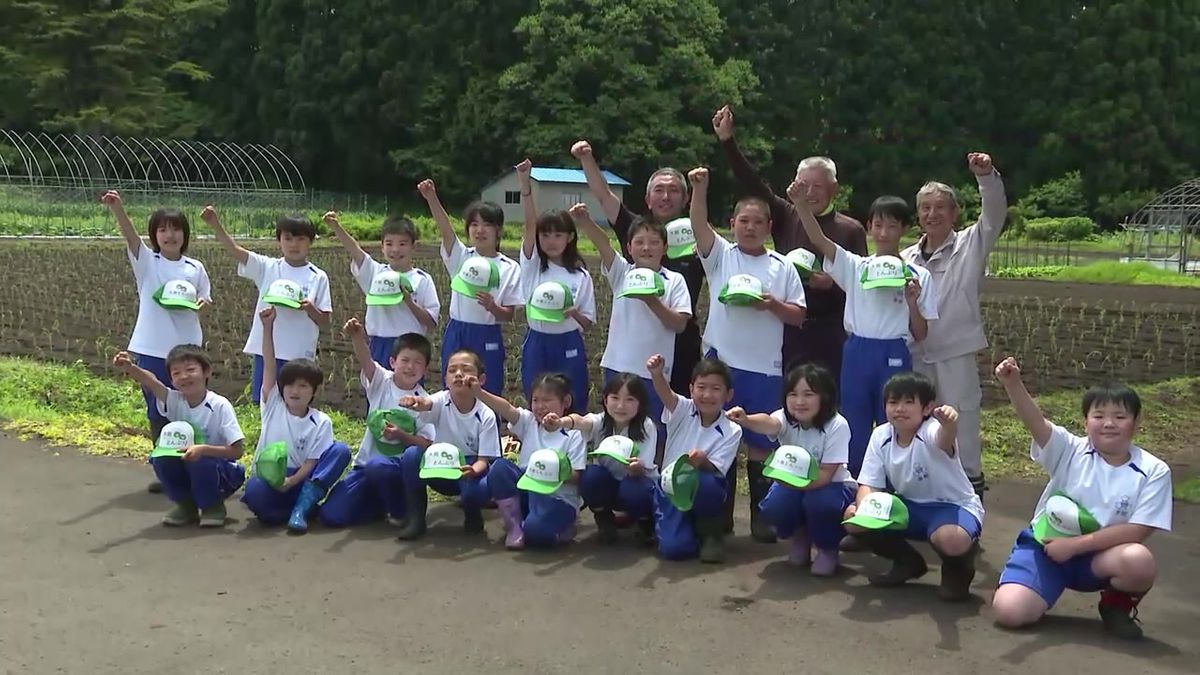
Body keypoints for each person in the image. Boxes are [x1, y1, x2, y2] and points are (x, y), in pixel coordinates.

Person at [991, 357, 1172, 640]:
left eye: (1120, 417)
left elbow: (1139, 530)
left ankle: (1116, 606)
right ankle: (1028, 583)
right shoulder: (1070, 449)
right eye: (1099, 416)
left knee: (1139, 561)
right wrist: (1012, 384)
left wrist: (1075, 546)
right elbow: (1035, 422)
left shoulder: (1154, 470)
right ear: (1085, 421)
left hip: (1098, 559)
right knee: (1009, 612)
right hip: (1046, 549)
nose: (1108, 424)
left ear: (1137, 422)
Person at [690, 166, 807, 543]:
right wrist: (700, 189)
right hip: (721, 364)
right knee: (718, 440)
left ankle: (760, 518)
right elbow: (697, 223)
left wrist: (772, 305)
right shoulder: (720, 255)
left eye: (758, 222)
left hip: (765, 369)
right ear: (732, 223)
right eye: (744, 221)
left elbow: (799, 315)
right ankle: (719, 517)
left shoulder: (782, 265)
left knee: (759, 446)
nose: (750, 227)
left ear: (769, 227)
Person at [787, 186, 938, 477]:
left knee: (896, 419)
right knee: (854, 421)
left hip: (894, 352)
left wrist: (912, 302)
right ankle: (853, 484)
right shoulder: (856, 266)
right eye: (878, 225)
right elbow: (820, 240)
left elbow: (921, 334)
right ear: (869, 227)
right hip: (857, 350)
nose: (883, 233)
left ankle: (894, 483)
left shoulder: (918, 276)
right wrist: (801, 205)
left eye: (892, 226)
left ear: (905, 229)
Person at [712, 105, 867, 380]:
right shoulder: (786, 214)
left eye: (817, 186)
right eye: (802, 185)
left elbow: (860, 287)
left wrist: (832, 284)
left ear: (834, 189)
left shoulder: (850, 229)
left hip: (829, 330)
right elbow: (752, 184)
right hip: (786, 328)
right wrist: (727, 141)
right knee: (789, 400)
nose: (808, 193)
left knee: (826, 398)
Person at [900, 152, 1007, 497]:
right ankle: (924, 490)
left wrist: (986, 177)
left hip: (956, 354)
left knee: (962, 422)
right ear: (918, 215)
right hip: (916, 354)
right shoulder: (905, 259)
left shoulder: (970, 244)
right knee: (917, 423)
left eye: (940, 207)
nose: (932, 215)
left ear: (954, 212)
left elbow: (994, 214)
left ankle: (969, 492)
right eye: (926, 208)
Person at [570, 140, 703, 397]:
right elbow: (603, 196)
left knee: (674, 415)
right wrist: (586, 158)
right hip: (628, 355)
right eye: (659, 190)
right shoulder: (634, 228)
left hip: (682, 341)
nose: (666, 196)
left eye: (674, 191)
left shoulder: (700, 235)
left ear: (686, 199)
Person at [101, 190, 213, 494]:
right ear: (155, 235)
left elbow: (205, 297)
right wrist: (118, 210)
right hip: (151, 349)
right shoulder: (147, 263)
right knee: (157, 408)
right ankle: (165, 470)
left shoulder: (195, 267)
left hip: (188, 348)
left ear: (184, 234)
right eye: (162, 229)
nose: (169, 234)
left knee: (191, 405)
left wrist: (202, 304)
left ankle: (193, 467)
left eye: (175, 228)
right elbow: (130, 237)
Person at [843, 372, 984, 602]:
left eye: (909, 402)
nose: (900, 408)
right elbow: (869, 484)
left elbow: (943, 438)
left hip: (952, 508)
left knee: (951, 539)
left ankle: (958, 570)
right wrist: (865, 512)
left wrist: (950, 424)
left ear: (927, 408)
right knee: (854, 516)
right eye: (893, 402)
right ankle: (907, 562)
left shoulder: (930, 430)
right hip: (909, 507)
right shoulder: (881, 435)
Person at [569, 202, 691, 445]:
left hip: (655, 371)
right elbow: (603, 245)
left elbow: (679, 324)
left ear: (665, 247)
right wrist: (585, 220)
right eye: (639, 242)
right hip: (619, 365)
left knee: (653, 430)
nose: (647, 248)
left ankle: (650, 474)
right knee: (615, 427)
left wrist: (651, 300)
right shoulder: (622, 273)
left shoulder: (674, 280)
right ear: (629, 247)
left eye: (654, 242)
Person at [728, 363, 855, 576]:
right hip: (794, 485)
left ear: (825, 396)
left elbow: (826, 473)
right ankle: (801, 536)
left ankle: (827, 547)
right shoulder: (785, 417)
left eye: (808, 394)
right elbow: (769, 423)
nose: (799, 401)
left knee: (819, 503)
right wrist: (746, 420)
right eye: (793, 394)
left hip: (832, 486)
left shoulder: (837, 425)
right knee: (774, 506)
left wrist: (795, 486)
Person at [202, 206, 332, 404]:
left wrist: (309, 308)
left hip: (299, 353)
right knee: (265, 402)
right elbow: (236, 252)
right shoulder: (268, 267)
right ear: (279, 240)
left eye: (300, 239)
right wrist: (214, 224)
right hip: (268, 350)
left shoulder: (318, 276)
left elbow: (325, 320)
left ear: (311, 242)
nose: (294, 244)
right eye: (288, 238)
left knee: (296, 404)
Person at [240, 307, 352, 533]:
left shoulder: (321, 422)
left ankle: (302, 506)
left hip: (301, 479)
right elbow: (269, 364)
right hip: (271, 475)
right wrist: (267, 327)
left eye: (303, 386)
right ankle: (294, 512)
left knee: (340, 450)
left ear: (315, 391)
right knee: (254, 492)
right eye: (290, 385)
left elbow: (312, 463)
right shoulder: (273, 406)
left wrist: (291, 482)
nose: (295, 391)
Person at [319, 320, 436, 528]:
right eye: (405, 360)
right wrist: (357, 336)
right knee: (331, 516)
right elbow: (366, 361)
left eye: (417, 362)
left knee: (379, 466)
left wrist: (402, 436)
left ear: (425, 369)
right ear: (393, 362)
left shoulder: (425, 401)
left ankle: (400, 511)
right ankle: (378, 505)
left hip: (396, 471)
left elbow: (427, 443)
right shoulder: (383, 382)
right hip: (365, 468)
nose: (410, 367)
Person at [112, 345, 245, 527]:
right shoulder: (175, 400)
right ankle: (186, 506)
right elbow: (152, 383)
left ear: (207, 371)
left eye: (190, 370)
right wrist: (130, 367)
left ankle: (212, 506)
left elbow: (237, 451)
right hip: (187, 463)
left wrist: (203, 449)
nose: (184, 376)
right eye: (176, 373)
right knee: (161, 459)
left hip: (223, 471)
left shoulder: (220, 405)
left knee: (200, 460)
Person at [418, 179, 522, 395]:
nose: (479, 230)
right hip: (458, 330)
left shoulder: (509, 267)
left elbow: (508, 315)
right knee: (453, 387)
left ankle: (488, 427)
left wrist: (493, 307)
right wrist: (431, 198)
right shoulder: (462, 258)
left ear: (499, 231)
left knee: (488, 387)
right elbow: (446, 231)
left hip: (487, 333)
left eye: (486, 225)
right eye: (474, 224)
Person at [393, 348, 502, 540]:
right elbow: (427, 403)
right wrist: (415, 401)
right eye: (452, 370)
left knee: (474, 491)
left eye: (466, 369)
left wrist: (473, 470)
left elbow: (484, 460)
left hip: (468, 469)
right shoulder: (442, 399)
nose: (459, 374)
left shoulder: (486, 415)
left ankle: (473, 514)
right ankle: (416, 519)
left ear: (481, 379)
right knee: (411, 455)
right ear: (446, 379)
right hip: (439, 467)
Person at [515, 159, 596, 411]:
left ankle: (573, 444)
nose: (551, 241)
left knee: (573, 398)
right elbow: (530, 224)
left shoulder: (580, 275)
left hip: (569, 342)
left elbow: (589, 324)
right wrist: (525, 185)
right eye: (545, 235)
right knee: (537, 399)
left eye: (558, 235)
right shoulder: (532, 265)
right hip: (538, 341)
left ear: (570, 237)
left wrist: (574, 314)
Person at [473, 373, 586, 549]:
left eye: (547, 400)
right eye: (535, 400)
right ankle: (515, 527)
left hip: (557, 499)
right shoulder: (530, 422)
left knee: (536, 533)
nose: (540, 407)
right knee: (500, 468)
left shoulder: (574, 434)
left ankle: (560, 529)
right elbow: (507, 409)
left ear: (566, 402)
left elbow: (577, 476)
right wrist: (479, 393)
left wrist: (553, 471)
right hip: (527, 492)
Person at [648, 354, 742, 563]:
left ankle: (710, 534)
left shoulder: (732, 429)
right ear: (691, 389)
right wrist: (657, 373)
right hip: (671, 487)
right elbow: (666, 394)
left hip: (701, 486)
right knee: (674, 550)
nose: (707, 395)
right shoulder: (683, 409)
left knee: (709, 483)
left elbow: (718, 469)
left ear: (729, 395)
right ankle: (683, 530)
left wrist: (703, 461)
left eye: (716, 389)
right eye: (701, 387)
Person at [547, 372, 659, 545]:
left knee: (635, 488)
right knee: (590, 475)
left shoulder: (646, 426)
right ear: (606, 401)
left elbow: (644, 468)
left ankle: (645, 522)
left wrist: (637, 467)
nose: (621, 406)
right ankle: (604, 518)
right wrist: (561, 422)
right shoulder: (600, 422)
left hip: (636, 485)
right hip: (610, 486)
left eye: (630, 400)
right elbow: (581, 421)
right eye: (615, 398)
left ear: (640, 404)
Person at [324, 211, 440, 365]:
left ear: (414, 246)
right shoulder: (375, 273)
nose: (396, 250)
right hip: (379, 345)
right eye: (389, 244)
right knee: (377, 387)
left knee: (409, 388)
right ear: (382, 247)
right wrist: (336, 227)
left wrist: (409, 302)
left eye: (402, 244)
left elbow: (431, 322)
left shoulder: (422, 280)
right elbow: (355, 251)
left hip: (412, 347)